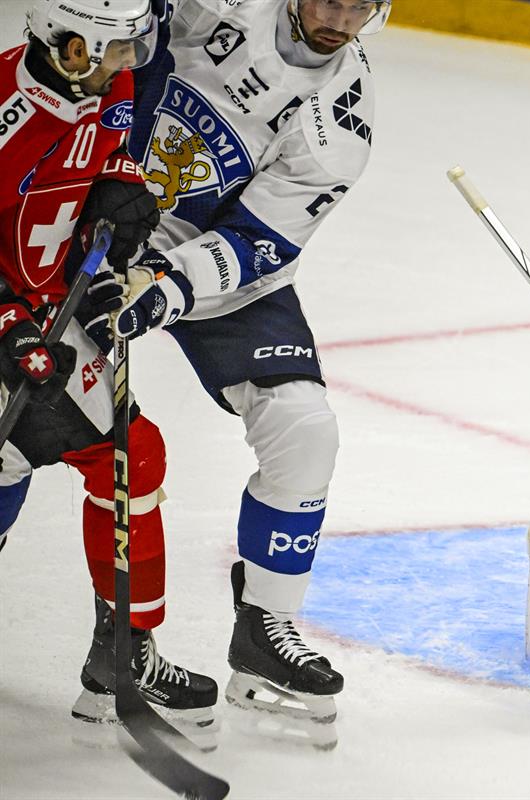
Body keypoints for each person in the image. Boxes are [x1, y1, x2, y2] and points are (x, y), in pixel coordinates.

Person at [109, 0, 390, 725]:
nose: (342, 16)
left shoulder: (342, 123)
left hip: (215, 267)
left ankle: (265, 628)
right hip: (98, 212)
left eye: (362, 6)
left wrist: (169, 284)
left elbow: (260, 239)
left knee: (305, 429)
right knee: (23, 416)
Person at [0, 0, 216, 730]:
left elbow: (109, 147)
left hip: (51, 310)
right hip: (12, 319)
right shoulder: (5, 114)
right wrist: (9, 327)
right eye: (115, 50)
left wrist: (119, 187)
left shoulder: (106, 81)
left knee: (131, 456)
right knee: (9, 464)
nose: (130, 64)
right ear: (66, 46)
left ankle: (124, 648)